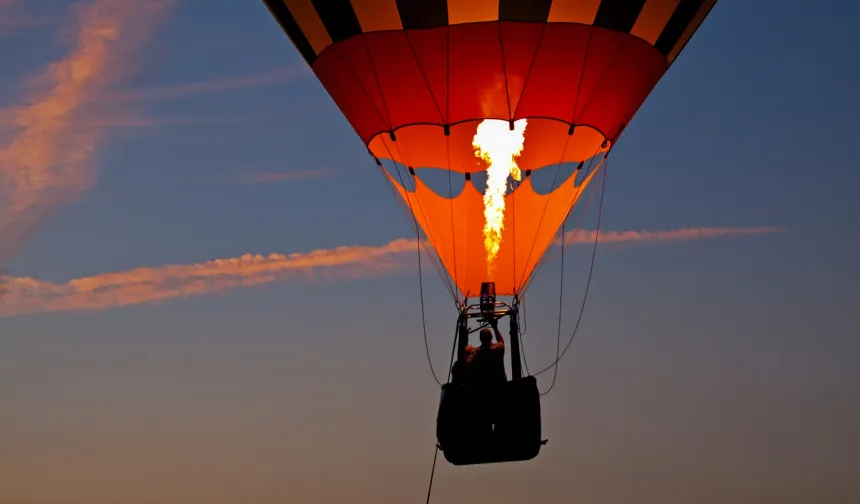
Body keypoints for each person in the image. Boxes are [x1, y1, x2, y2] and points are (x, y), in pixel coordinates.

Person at [467, 318, 506, 388]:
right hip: (499, 388)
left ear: (480, 339)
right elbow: (501, 342)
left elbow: (468, 364)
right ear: (491, 337)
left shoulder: (476, 352)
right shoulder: (498, 349)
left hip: (482, 390)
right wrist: (495, 327)